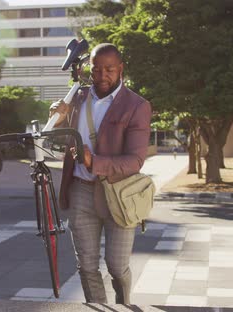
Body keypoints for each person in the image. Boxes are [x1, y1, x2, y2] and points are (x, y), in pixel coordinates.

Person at [49, 43, 152, 304]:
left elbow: (135, 160)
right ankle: (99, 308)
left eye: (109, 70)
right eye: (96, 70)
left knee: (117, 266)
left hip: (118, 193)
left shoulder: (136, 105)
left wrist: (92, 160)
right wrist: (57, 119)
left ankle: (124, 304)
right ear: (89, 70)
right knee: (87, 266)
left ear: (120, 69)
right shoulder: (77, 97)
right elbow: (57, 138)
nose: (102, 76)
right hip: (81, 191)